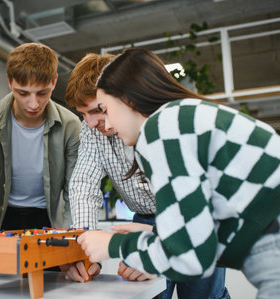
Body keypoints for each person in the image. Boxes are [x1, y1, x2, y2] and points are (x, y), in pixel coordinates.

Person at [78, 48, 280, 299]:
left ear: (127, 100)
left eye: (105, 110)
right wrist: (155, 235)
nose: (106, 125)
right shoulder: (181, 115)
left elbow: (191, 258)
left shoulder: (162, 128)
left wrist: (111, 245)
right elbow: (203, 236)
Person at [63, 53, 230, 299]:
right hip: (143, 221)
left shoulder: (175, 124)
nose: (90, 124)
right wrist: (84, 251)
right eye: (82, 114)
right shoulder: (93, 132)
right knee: (145, 293)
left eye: (99, 110)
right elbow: (83, 185)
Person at [0, 42, 81, 231]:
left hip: (47, 220)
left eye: (42, 93)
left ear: (54, 81)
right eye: (23, 93)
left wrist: (70, 237)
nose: (33, 104)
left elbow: (75, 190)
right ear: (10, 82)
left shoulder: (71, 126)